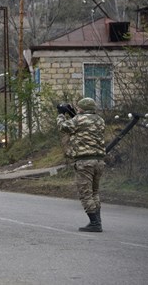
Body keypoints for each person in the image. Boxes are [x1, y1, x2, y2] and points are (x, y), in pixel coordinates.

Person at [57, 97, 106, 232]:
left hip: (85, 162)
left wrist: (61, 114)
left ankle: (95, 223)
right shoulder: (100, 120)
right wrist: (73, 113)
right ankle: (98, 220)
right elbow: (83, 124)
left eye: (78, 108)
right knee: (95, 192)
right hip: (99, 161)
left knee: (85, 193)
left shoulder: (78, 120)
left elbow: (63, 127)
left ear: (82, 109)